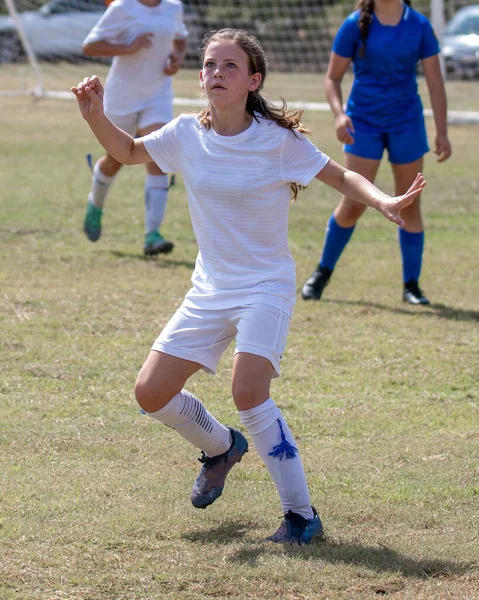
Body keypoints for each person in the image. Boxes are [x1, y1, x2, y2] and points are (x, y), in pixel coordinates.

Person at [71, 28, 426, 544]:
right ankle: (220, 446)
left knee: (248, 389)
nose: (217, 73)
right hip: (209, 287)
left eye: (230, 66)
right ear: (200, 77)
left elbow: (342, 177)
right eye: (211, 65)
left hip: (265, 285)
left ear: (253, 79)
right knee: (150, 393)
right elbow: (126, 151)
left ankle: (301, 516)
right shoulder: (185, 133)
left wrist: (384, 201)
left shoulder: (278, 141)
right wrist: (94, 116)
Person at [302, 0, 451, 305]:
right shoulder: (355, 24)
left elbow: (435, 82)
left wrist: (442, 131)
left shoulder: (419, 25)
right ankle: (321, 273)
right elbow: (332, 78)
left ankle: (412, 286)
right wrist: (339, 115)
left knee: (409, 205)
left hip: (406, 122)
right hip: (364, 123)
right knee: (354, 203)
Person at [81, 0, 189, 256]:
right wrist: (128, 47)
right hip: (122, 95)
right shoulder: (122, 7)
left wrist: (176, 58)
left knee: (158, 154)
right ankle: (95, 204)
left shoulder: (174, 6)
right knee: (116, 158)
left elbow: (180, 37)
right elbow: (90, 46)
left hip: (158, 93)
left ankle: (153, 235)